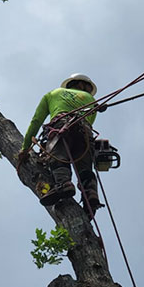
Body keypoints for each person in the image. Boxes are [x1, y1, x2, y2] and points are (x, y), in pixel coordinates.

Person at [19, 73, 102, 215]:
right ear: (83, 86)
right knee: (85, 167)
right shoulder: (92, 101)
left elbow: (36, 121)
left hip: (61, 126)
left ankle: (64, 184)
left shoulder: (53, 93)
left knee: (58, 156)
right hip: (85, 133)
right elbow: (89, 121)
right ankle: (90, 194)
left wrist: (25, 148)